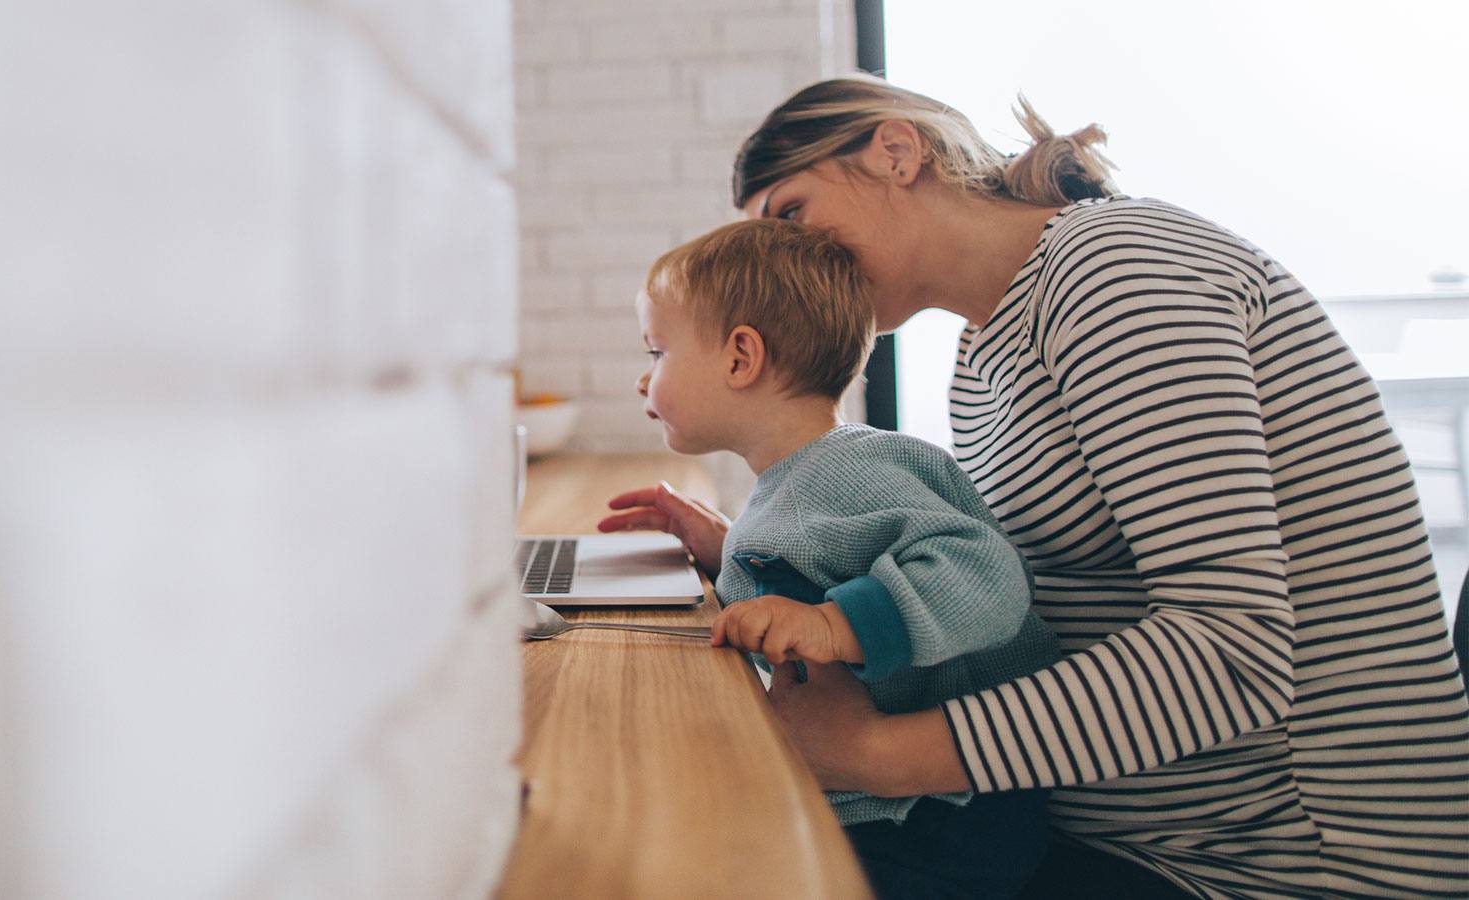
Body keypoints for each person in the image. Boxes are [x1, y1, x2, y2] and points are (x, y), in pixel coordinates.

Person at [600, 73, 1469, 899]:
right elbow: (992, 580)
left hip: (1271, 865)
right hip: (1105, 830)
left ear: (896, 153)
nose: (783, 255)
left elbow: (1232, 653)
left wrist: (877, 757)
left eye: (792, 214)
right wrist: (761, 548)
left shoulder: (1117, 273)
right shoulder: (986, 353)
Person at [633, 217, 1061, 898]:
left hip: (938, 824)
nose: (642, 382)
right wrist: (725, 552)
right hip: (898, 812)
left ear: (741, 358)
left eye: (657, 353)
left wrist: (837, 627)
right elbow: (821, 561)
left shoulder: (853, 468)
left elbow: (985, 575)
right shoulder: (803, 477)